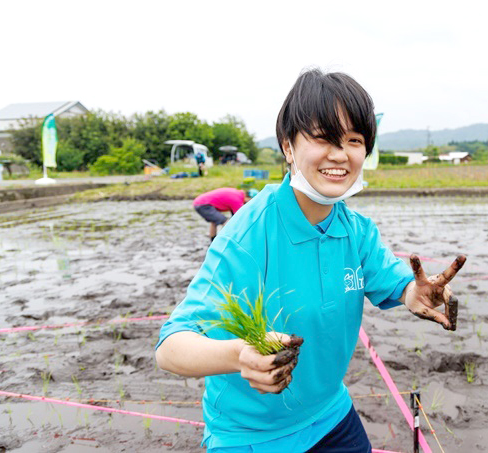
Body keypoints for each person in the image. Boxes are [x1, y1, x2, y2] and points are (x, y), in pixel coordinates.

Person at [155, 69, 466, 452]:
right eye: (324, 138)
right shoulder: (247, 235)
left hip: (329, 414)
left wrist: (416, 293)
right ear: (288, 146)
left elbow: (398, 281)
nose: (340, 154)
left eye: (354, 140)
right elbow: (170, 348)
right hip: (252, 435)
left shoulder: (357, 231)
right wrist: (239, 354)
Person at [193, 187, 259, 242]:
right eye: (251, 201)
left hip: (200, 203)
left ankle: (212, 241)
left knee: (214, 221)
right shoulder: (237, 200)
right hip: (203, 205)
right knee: (225, 222)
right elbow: (240, 218)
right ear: (248, 197)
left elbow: (235, 216)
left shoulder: (238, 194)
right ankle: (228, 241)